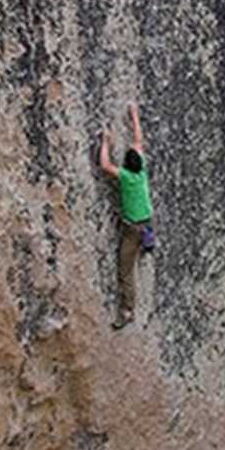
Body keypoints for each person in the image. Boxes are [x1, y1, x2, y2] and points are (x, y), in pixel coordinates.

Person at [99, 102, 153, 329]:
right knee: (145, 228)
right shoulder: (140, 173)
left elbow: (104, 165)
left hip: (132, 231)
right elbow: (138, 140)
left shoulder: (126, 177)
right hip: (148, 221)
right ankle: (149, 242)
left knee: (125, 271)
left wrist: (104, 142)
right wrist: (134, 115)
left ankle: (127, 310)